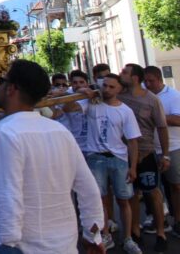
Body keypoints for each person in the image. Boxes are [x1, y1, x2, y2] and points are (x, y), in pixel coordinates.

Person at [0, 59, 104, 254]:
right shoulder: (59, 130)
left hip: (27, 246)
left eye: (2, 80)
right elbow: (88, 187)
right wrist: (93, 235)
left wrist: (6, 243)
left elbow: (10, 194)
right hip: (66, 244)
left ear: (11, 89)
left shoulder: (5, 133)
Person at [76, 72, 140, 251]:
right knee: (100, 199)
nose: (107, 89)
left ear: (120, 89)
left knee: (124, 200)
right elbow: (68, 109)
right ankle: (105, 234)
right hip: (96, 158)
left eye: (112, 87)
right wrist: (83, 92)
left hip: (118, 158)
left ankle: (127, 238)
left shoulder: (125, 111)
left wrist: (133, 166)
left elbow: (133, 141)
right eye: (105, 85)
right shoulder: (92, 103)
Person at [119, 62, 169, 251]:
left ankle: (161, 232)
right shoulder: (119, 96)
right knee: (131, 194)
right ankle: (135, 231)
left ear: (134, 78)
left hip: (146, 152)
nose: (121, 74)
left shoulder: (152, 99)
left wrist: (165, 155)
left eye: (125, 72)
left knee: (153, 193)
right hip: (125, 154)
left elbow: (162, 128)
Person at [144, 65, 180, 239]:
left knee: (175, 185)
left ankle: (178, 220)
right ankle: (160, 220)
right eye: (146, 81)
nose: (148, 84)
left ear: (160, 79)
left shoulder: (173, 96)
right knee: (152, 188)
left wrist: (158, 117)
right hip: (150, 148)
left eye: (151, 81)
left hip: (173, 147)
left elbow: (178, 119)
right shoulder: (143, 96)